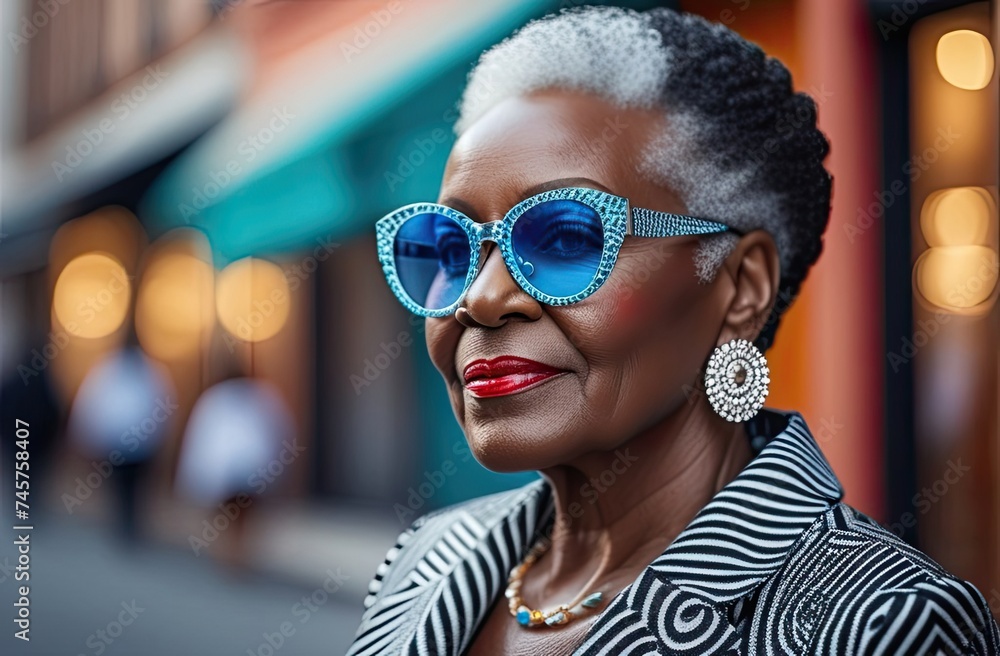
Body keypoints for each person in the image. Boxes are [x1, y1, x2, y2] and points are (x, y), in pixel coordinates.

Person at [347, 6, 1000, 655]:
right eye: (450, 248)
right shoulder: (424, 560)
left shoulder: (882, 627)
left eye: (567, 237)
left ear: (741, 288)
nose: (482, 299)